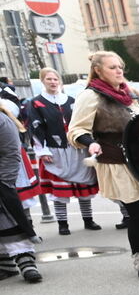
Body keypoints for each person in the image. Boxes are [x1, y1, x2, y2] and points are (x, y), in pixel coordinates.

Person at [68, 51, 139, 281]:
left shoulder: (128, 94)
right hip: (118, 162)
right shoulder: (90, 96)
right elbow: (76, 129)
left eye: (120, 67)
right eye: (113, 67)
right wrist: (91, 143)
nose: (119, 71)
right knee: (137, 213)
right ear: (98, 70)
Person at [25, 68, 100, 235]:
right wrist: (42, 150)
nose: (53, 82)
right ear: (43, 81)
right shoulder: (36, 103)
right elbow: (35, 128)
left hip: (76, 149)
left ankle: (88, 219)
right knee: (59, 190)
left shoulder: (71, 100)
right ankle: (63, 224)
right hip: (54, 150)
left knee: (83, 185)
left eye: (55, 79)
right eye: (49, 79)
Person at [0, 108, 41, 282]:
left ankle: (26, 261)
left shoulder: (2, 121)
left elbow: (10, 152)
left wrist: (5, 180)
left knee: (10, 212)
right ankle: (5, 265)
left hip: (5, 173)